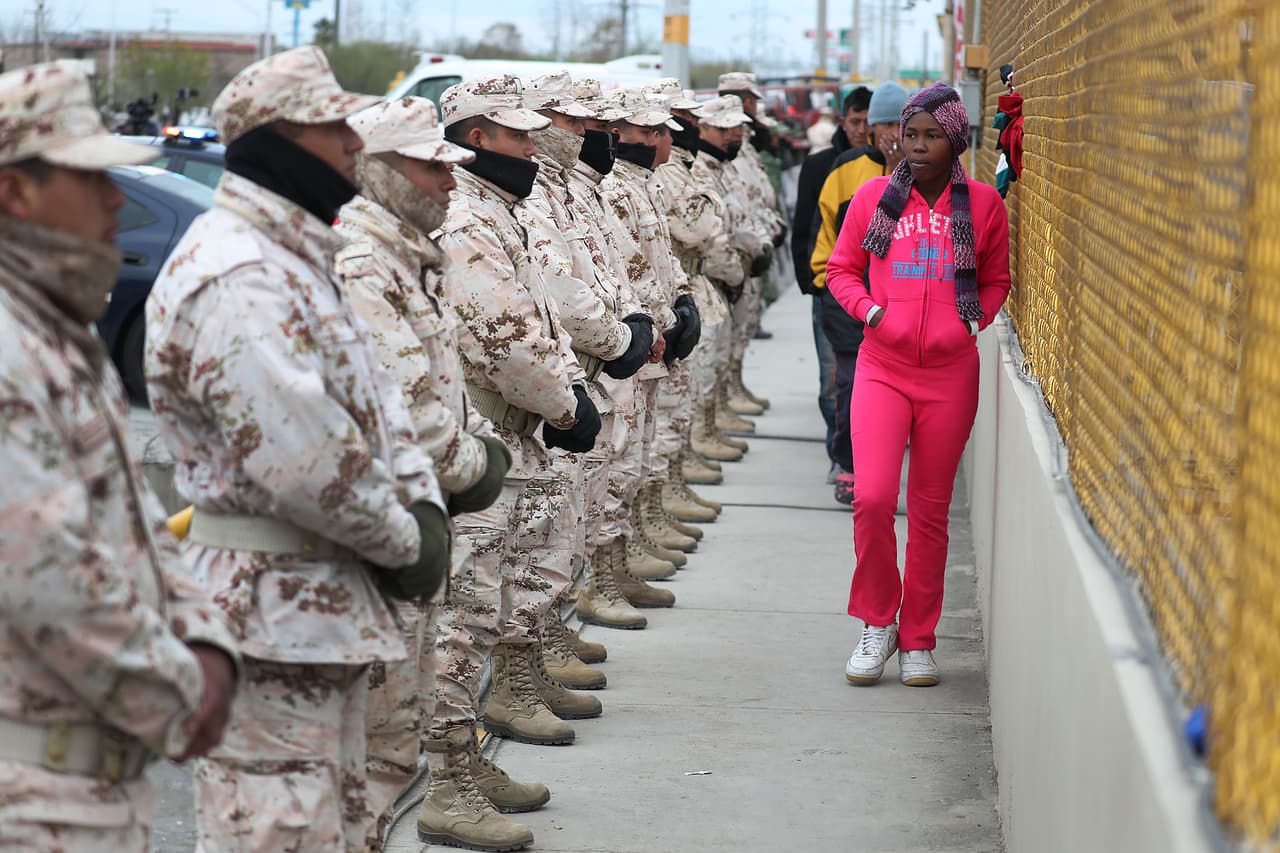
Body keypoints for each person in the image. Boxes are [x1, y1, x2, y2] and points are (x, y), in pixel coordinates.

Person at [144, 46, 452, 852]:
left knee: (340, 831)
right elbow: (305, 459)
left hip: (319, 611)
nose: (355, 141)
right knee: (277, 833)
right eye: (333, 125)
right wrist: (406, 535)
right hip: (264, 620)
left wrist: (418, 496)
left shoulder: (297, 258)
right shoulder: (236, 272)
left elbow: (382, 409)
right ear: (278, 137)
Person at [0, 59, 239, 852]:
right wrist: (181, 690)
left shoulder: (57, 334)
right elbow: (41, 567)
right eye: (90, 179)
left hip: (88, 789)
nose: (115, 201)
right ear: (15, 193)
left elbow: (137, 523)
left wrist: (206, 643)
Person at [331, 97, 542, 849]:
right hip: (398, 519)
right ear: (378, 170)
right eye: (431, 165)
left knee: (405, 723)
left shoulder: (405, 252)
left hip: (434, 498)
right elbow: (403, 409)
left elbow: (440, 381)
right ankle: (447, 785)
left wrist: (480, 446)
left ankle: (456, 769)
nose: (449, 181)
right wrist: (478, 462)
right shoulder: (363, 262)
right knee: (376, 753)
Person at [435, 76, 602, 770]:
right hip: (488, 431)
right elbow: (505, 339)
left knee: (514, 576)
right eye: (518, 134)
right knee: (468, 610)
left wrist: (567, 388)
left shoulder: (502, 209)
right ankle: (452, 778)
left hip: (515, 428)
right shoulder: (470, 219)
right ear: (477, 138)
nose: (534, 146)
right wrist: (565, 404)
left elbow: (541, 318)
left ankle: (498, 712)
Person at [826, 83, 1010, 688]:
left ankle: (919, 638)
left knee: (930, 513)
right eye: (912, 134)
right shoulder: (875, 199)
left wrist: (970, 323)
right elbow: (842, 269)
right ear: (896, 138)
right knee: (874, 498)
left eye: (934, 135)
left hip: (950, 376)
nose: (920, 145)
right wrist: (873, 314)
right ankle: (877, 623)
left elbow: (996, 281)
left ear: (955, 141)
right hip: (883, 368)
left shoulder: (983, 205)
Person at [812, 81, 908, 505]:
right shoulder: (848, 172)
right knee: (850, 387)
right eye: (883, 124)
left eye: (898, 124)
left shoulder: (927, 177)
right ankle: (848, 463)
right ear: (869, 128)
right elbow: (825, 241)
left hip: (899, 311)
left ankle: (879, 468)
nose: (892, 133)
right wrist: (827, 290)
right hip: (849, 304)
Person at [791, 86, 872, 484]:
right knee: (831, 380)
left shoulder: (885, 169)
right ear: (843, 122)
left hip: (866, 294)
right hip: (828, 289)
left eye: (868, 122)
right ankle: (839, 453)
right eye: (854, 121)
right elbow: (804, 226)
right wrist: (811, 282)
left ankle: (855, 457)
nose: (861, 129)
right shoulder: (822, 165)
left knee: (858, 380)